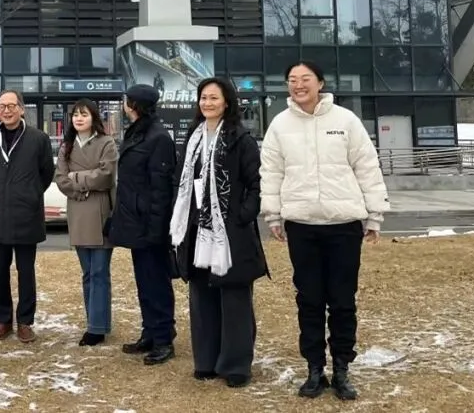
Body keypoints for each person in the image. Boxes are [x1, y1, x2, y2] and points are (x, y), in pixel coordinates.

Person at [261, 60, 389, 401]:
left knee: (343, 301)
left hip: (343, 226)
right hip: (301, 227)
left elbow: (367, 166)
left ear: (320, 83)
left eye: (305, 79)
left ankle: (342, 368)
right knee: (309, 300)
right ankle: (314, 368)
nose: (298, 85)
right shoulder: (280, 124)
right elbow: (271, 172)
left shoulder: (345, 120)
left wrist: (374, 214)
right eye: (292, 80)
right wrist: (273, 215)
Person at [171, 77, 269, 389]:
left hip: (231, 232)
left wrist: (242, 215)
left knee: (234, 297)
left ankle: (236, 365)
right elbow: (181, 180)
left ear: (227, 102)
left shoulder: (240, 138)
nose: (207, 103)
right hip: (197, 228)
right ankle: (206, 360)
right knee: (202, 296)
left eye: (214, 98)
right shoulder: (193, 138)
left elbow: (257, 184)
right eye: (203, 97)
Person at [106, 83, 178, 366]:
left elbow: (162, 190)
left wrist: (157, 229)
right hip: (137, 222)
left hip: (151, 225)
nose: (124, 105)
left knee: (156, 282)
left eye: (127, 101)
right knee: (144, 282)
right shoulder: (138, 132)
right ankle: (150, 332)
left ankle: (163, 339)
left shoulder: (158, 137)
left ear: (134, 105)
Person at [0, 89, 55, 343]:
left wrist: (29, 193)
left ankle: (25, 321)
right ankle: (3, 321)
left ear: (22, 109)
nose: (7, 110)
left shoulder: (38, 139)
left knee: (26, 272)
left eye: (12, 105)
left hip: (26, 216)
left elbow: (46, 173)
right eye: (2, 106)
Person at [54, 99, 118, 347]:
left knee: (100, 272)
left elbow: (106, 176)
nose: (79, 119)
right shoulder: (67, 146)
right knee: (88, 273)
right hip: (78, 210)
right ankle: (94, 321)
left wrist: (76, 178)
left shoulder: (106, 142)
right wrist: (82, 188)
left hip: (101, 212)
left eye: (84, 114)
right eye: (75, 115)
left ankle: (97, 328)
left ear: (94, 118)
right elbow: (61, 179)